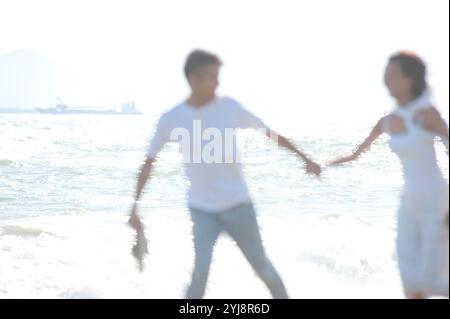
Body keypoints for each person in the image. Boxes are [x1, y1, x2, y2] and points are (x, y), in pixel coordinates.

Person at [128, 49, 322, 299]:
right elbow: (149, 162)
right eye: (212, 77)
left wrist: (305, 158)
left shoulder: (229, 107)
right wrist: (135, 205)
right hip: (201, 209)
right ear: (193, 79)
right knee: (200, 274)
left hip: (238, 204)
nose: (217, 83)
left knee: (262, 267)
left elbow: (269, 133)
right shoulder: (172, 118)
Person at [330, 51, 449, 299]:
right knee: (410, 283)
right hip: (408, 204)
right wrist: (320, 164)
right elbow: (355, 154)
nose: (386, 80)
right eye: (386, 75)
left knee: (431, 280)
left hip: (437, 203)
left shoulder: (427, 115)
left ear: (410, 80)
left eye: (392, 76)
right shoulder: (388, 121)